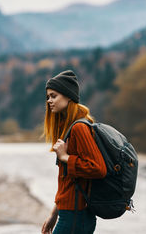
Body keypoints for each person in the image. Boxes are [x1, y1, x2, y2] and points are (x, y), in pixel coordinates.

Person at [41, 70, 107, 234]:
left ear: (68, 96)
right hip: (70, 214)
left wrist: (65, 157)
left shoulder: (79, 128)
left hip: (76, 217)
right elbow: (68, 182)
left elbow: (98, 168)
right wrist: (54, 214)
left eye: (53, 96)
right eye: (48, 97)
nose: (49, 100)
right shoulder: (69, 128)